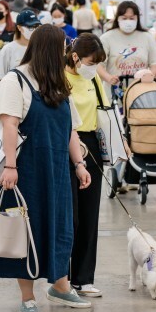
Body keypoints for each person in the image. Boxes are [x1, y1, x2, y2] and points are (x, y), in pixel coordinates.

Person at [0, 24, 92, 312]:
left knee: (60, 226)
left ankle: (60, 284)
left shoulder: (59, 83)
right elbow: (9, 125)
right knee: (26, 231)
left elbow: (70, 128)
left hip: (58, 170)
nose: (66, 55)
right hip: (25, 171)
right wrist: (10, 166)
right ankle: (27, 296)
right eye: (62, 49)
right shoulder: (14, 81)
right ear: (49, 50)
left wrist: (79, 164)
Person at [64, 33, 108, 298]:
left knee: (90, 215)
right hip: (67, 143)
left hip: (92, 145)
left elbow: (105, 111)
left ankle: (84, 277)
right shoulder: (59, 77)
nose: (94, 68)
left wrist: (119, 142)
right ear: (76, 56)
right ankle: (62, 276)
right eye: (91, 62)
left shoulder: (92, 78)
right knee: (71, 216)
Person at [97, 1, 156, 86]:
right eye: (124, 18)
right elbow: (98, 64)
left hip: (141, 93)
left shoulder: (147, 37)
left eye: (131, 18)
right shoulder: (106, 38)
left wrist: (149, 76)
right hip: (114, 93)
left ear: (137, 19)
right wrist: (108, 78)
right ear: (118, 19)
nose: (128, 21)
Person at [0, 10, 41, 78]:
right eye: (30, 27)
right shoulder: (7, 50)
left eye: (36, 26)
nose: (34, 29)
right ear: (19, 27)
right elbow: (0, 76)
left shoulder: (40, 48)